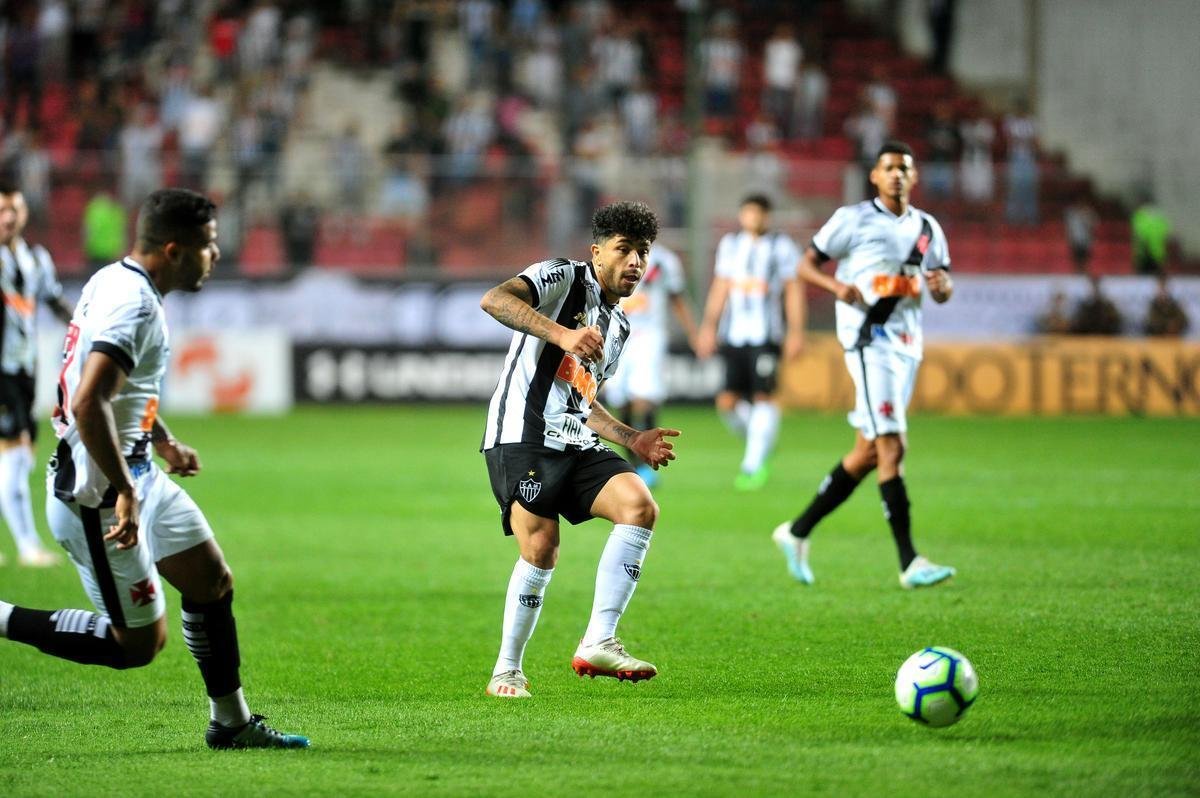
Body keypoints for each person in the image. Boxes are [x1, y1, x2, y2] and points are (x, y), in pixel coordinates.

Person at [0, 189, 308, 749]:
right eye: (208, 247)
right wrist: (124, 490)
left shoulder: (113, 280)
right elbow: (89, 401)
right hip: (97, 496)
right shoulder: (136, 305)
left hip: (137, 473)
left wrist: (161, 439)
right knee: (137, 645)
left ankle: (231, 723)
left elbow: (124, 389)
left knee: (211, 580)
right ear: (173, 250)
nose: (215, 257)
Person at [478, 201, 679, 699]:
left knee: (639, 505)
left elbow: (583, 399)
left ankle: (599, 639)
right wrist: (562, 333)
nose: (635, 262)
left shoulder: (620, 326)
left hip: (575, 437)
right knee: (542, 549)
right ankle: (507, 670)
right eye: (624, 250)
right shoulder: (559, 277)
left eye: (643, 252)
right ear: (597, 252)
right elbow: (494, 300)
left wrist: (633, 438)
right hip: (520, 434)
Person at [772, 140, 957, 590]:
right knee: (894, 447)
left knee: (868, 452)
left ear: (913, 177)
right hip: (868, 342)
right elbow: (805, 266)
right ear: (875, 176)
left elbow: (943, 288)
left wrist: (941, 284)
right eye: (889, 168)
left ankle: (795, 533)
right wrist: (836, 288)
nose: (897, 175)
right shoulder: (852, 220)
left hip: (908, 345)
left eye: (904, 168)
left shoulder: (927, 228)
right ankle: (910, 561)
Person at [695, 194, 805, 491]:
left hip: (766, 336)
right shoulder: (731, 245)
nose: (753, 218)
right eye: (748, 213)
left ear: (767, 216)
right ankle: (762, 442)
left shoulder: (781, 246)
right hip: (734, 335)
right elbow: (721, 286)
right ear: (742, 215)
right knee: (727, 402)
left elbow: (793, 289)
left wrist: (796, 331)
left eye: (758, 213)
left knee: (763, 397)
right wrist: (709, 326)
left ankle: (753, 465)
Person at [0, 184, 72, 567]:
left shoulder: (35, 258)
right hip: (1, 370)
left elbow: (55, 300)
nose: (8, 218)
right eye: (1, 210)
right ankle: (28, 546)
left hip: (25, 366)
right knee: (14, 452)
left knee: (20, 456)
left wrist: (87, 327)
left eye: (14, 209)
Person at [603, 241, 698, 488]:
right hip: (616, 336)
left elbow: (677, 298)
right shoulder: (610, 255)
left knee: (643, 397)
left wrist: (693, 333)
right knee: (620, 401)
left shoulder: (664, 261)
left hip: (649, 337)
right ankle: (633, 463)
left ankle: (647, 465)